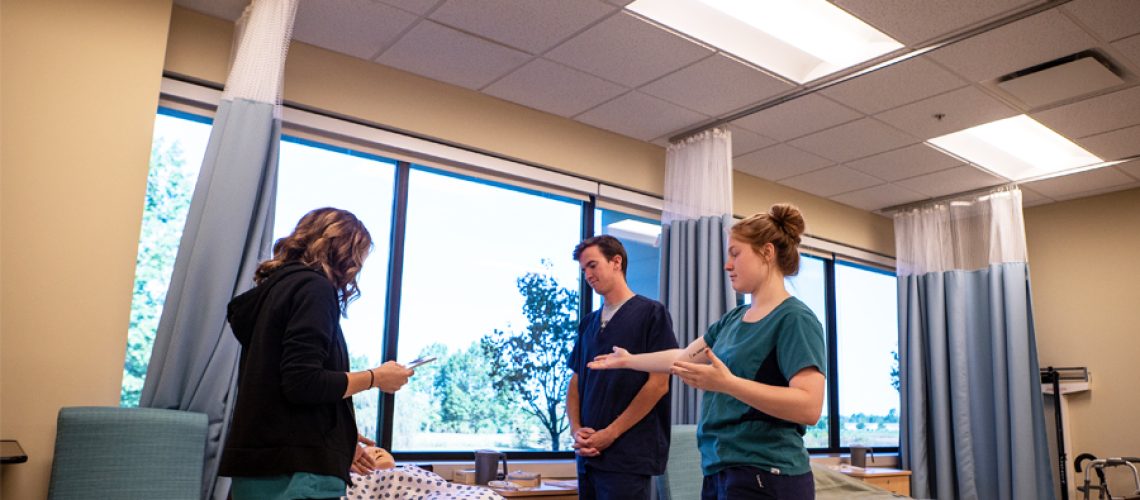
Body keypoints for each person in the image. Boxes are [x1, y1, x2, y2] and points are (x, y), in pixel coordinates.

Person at [589, 204, 826, 500]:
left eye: (735, 253)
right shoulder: (733, 319)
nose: (727, 265)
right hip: (719, 470)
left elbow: (809, 406)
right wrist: (628, 360)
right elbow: (682, 358)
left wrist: (727, 384)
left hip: (767, 473)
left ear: (767, 252)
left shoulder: (795, 319)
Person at [220, 207, 414, 500]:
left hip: (258, 469)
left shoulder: (272, 294)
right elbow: (304, 383)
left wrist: (336, 437)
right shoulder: (314, 289)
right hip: (296, 477)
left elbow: (280, 391)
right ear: (345, 252)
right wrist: (377, 377)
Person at [566, 235, 679, 500]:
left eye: (593, 265)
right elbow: (575, 382)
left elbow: (659, 384)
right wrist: (576, 429)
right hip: (589, 456)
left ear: (616, 262)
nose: (588, 275)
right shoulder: (588, 324)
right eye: (584, 270)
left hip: (628, 456)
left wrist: (610, 433)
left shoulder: (652, 314)